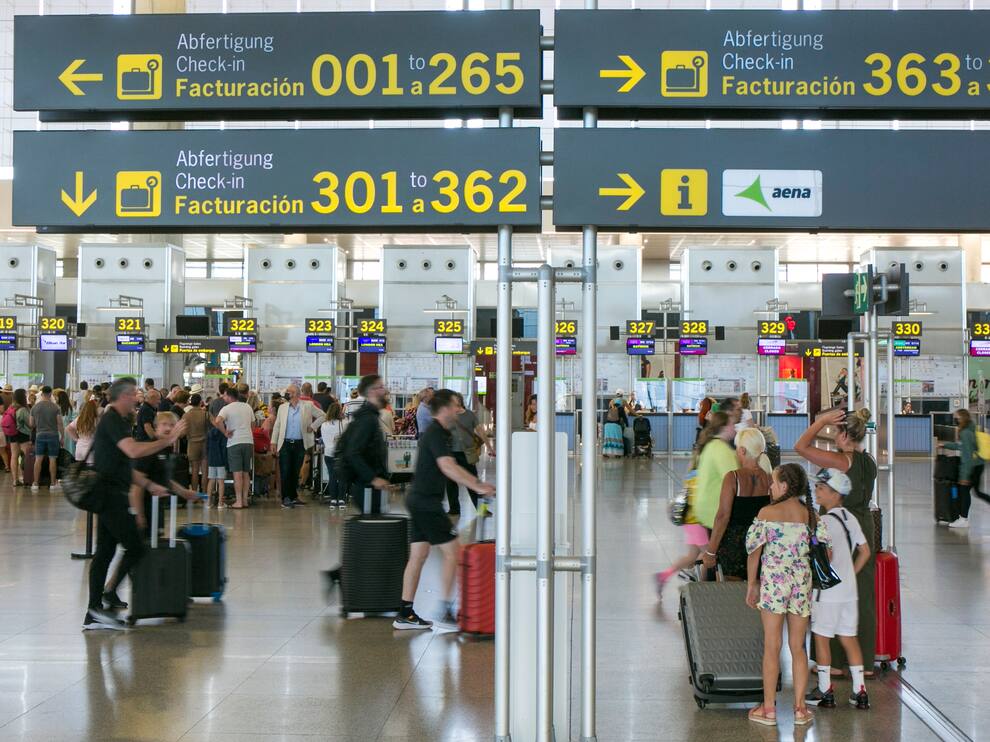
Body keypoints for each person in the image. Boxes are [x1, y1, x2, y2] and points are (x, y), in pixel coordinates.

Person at [84, 378, 187, 630]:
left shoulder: (119, 421)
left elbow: (120, 464)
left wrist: (149, 485)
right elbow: (132, 451)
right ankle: (97, 605)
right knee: (135, 546)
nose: (136, 398)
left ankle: (95, 609)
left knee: (105, 552)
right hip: (109, 496)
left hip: (112, 492)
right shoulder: (111, 420)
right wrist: (167, 439)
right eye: (132, 394)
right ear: (121, 397)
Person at [394, 389, 495, 631]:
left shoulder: (441, 433)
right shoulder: (437, 432)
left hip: (418, 500)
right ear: (445, 408)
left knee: (418, 556)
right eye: (455, 406)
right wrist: (478, 486)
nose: (458, 410)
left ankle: (405, 613)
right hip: (427, 503)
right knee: (453, 553)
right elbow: (448, 466)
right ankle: (445, 612)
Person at [745, 463, 830, 726]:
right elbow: (826, 553)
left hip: (773, 584)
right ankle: (800, 709)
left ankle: (769, 710)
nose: (770, 486)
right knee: (798, 647)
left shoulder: (767, 513)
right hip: (801, 585)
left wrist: (752, 584)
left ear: (784, 486)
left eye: (773, 482)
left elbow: (754, 551)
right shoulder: (811, 515)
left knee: (772, 646)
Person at [794, 408, 877, 674]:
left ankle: (834, 663)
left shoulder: (842, 462)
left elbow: (801, 446)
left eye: (835, 431)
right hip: (863, 525)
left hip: (837, 529)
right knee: (860, 593)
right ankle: (862, 661)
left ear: (842, 435)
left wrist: (820, 421)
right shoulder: (868, 461)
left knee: (831, 590)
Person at [102, 411, 203, 608]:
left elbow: (163, 480)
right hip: (142, 510)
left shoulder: (165, 451)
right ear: (155, 428)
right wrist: (138, 515)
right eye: (163, 424)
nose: (167, 428)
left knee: (143, 550)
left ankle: (127, 589)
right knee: (137, 551)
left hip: (154, 509)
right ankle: (118, 589)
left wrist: (185, 493)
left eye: (170, 425)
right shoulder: (148, 451)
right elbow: (137, 485)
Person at [805, 468, 872, 711]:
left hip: (828, 591)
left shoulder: (824, 522)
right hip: (848, 592)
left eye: (821, 488)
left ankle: (825, 690)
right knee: (848, 638)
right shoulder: (849, 518)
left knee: (822, 638)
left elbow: (827, 555)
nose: (817, 491)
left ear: (835, 494)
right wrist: (850, 573)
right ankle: (860, 691)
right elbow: (865, 551)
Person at [701, 427, 772, 580]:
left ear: (743, 451)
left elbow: (722, 516)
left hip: (734, 545)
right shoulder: (769, 478)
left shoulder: (733, 478)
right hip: (759, 543)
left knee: (731, 593)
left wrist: (711, 551)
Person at [337, 375, 390, 514]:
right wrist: (372, 479)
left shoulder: (371, 416)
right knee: (370, 531)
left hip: (371, 486)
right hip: (366, 488)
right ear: (372, 391)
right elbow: (353, 452)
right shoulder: (367, 419)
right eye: (381, 387)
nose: (385, 390)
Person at [271, 384, 321, 509]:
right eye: (287, 391)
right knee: (285, 470)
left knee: (295, 471)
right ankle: (286, 498)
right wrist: (273, 442)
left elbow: (323, 415)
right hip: (285, 443)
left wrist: (313, 426)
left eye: (290, 391)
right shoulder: (282, 407)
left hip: (300, 443)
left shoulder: (308, 406)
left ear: (297, 394)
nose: (288, 393)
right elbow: (277, 425)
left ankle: (293, 496)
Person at [692, 412, 739, 537]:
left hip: (704, 508)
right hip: (715, 510)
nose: (735, 428)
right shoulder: (722, 450)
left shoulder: (710, 445)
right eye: (732, 424)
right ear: (723, 427)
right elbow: (734, 479)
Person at [446, 392, 491, 514]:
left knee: (473, 481)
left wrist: (489, 447)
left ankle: (481, 509)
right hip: (451, 453)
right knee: (450, 483)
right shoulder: (448, 415)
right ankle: (454, 509)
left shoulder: (469, 415)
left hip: (467, 454)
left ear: (459, 402)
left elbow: (480, 431)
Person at [214, 386, 256, 509]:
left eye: (225, 395)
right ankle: (245, 499)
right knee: (246, 472)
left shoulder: (226, 408)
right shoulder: (247, 406)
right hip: (248, 442)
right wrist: (248, 433)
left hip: (234, 442)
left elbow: (217, 421)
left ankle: (238, 501)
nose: (223, 397)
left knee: (237, 473)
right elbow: (253, 423)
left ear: (229, 396)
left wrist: (225, 432)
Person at [940, 408, 982, 528]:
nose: (955, 419)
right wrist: (945, 444)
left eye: (957, 417)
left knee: (964, 492)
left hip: (972, 467)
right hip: (976, 465)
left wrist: (965, 475)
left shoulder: (966, 433)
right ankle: (961, 517)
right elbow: (960, 446)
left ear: (962, 418)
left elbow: (967, 456)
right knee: (965, 491)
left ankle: (963, 519)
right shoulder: (968, 430)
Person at [29, 386, 63, 492]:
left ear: (42, 393)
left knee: (38, 459)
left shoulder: (35, 407)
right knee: (52, 459)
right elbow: (60, 424)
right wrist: (62, 437)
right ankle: (53, 484)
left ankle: (35, 484)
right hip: (53, 435)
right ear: (51, 394)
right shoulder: (56, 407)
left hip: (40, 435)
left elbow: (31, 424)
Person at [319, 401, 347, 507]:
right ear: (340, 412)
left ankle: (333, 499)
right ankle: (342, 500)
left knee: (332, 476)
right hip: (341, 454)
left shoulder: (324, 425)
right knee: (343, 477)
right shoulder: (344, 423)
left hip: (328, 454)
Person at [184, 394, 208, 493]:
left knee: (194, 470)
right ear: (200, 402)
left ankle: (194, 494)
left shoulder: (186, 415)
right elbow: (215, 424)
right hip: (205, 444)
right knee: (204, 471)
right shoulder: (205, 414)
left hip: (192, 444)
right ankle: (204, 494)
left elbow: (182, 431)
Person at [66, 398, 99, 464]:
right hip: (91, 450)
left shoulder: (79, 419)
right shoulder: (97, 420)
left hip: (80, 447)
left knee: (80, 469)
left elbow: (68, 428)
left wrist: (76, 439)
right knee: (89, 471)